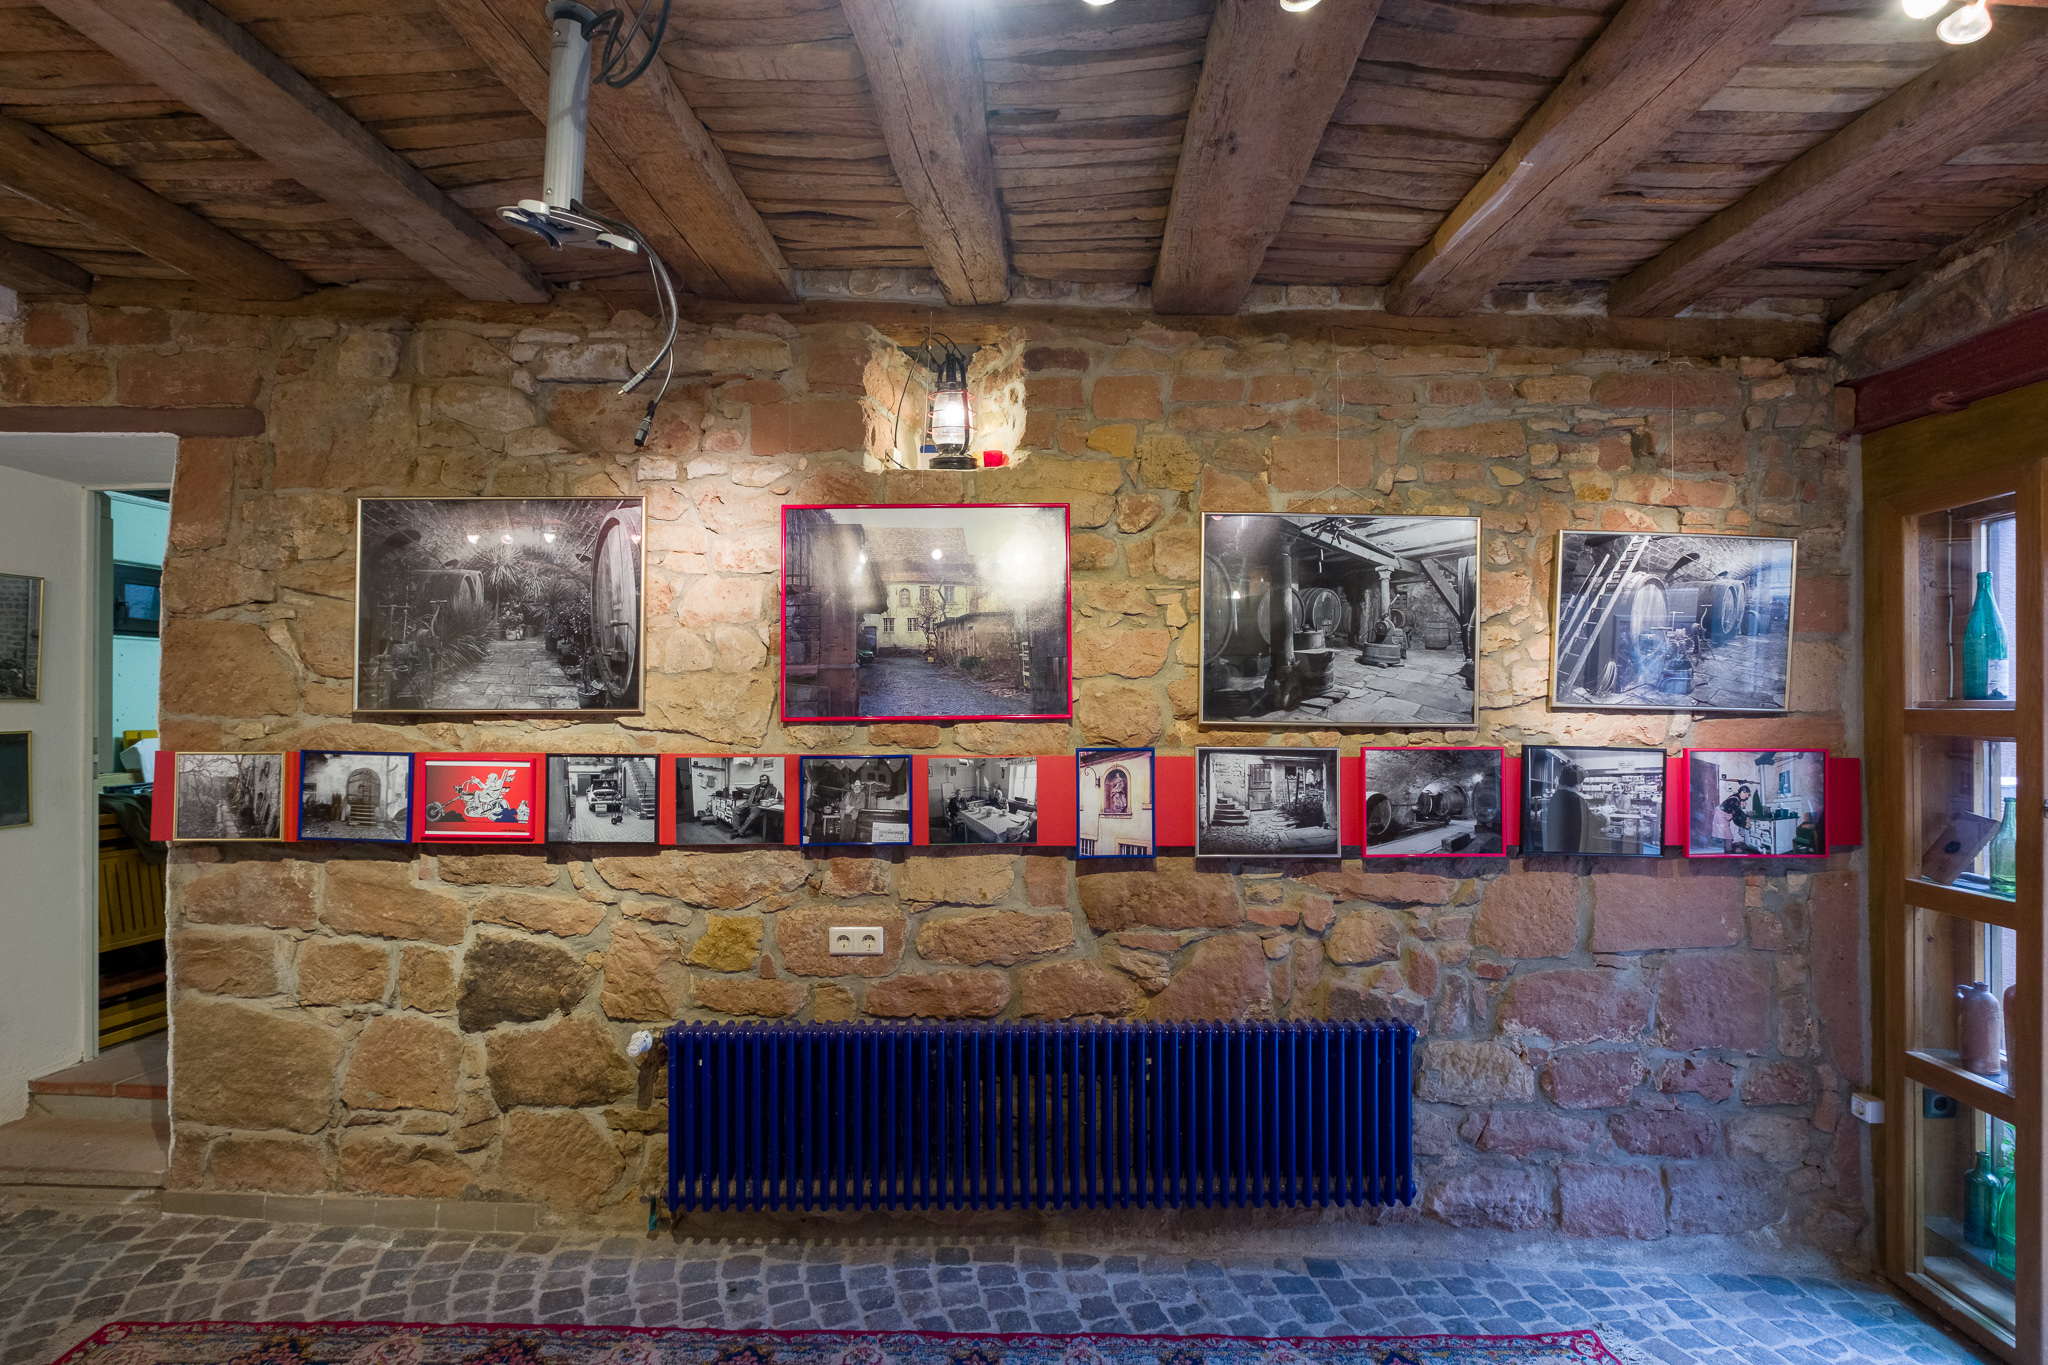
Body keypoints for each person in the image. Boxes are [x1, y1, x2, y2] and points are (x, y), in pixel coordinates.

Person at [1540, 760, 1593, 853]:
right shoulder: (1576, 799)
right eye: (1582, 782)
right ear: (1577, 783)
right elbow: (1591, 822)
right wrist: (1604, 816)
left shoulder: (1556, 796)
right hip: (1571, 848)